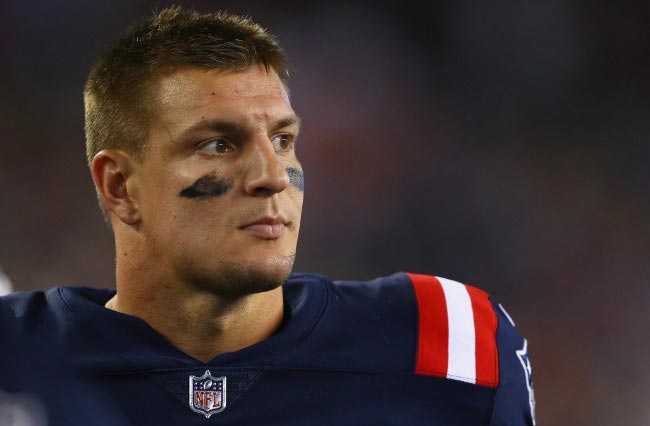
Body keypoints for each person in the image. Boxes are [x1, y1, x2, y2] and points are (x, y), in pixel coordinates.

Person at [1, 6, 535, 425]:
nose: (273, 175)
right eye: (217, 144)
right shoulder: (17, 361)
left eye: (282, 139)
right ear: (120, 187)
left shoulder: (441, 341)